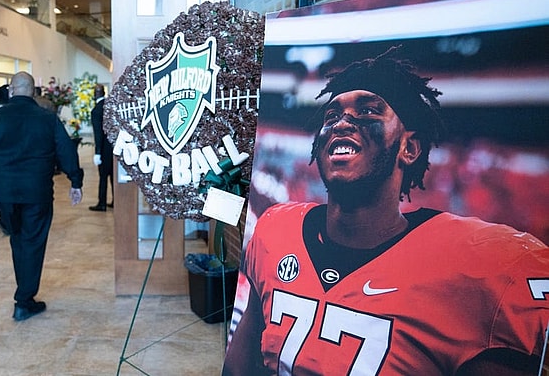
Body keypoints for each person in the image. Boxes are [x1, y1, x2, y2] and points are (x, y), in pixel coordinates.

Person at [222, 50, 549, 375]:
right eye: (331, 115)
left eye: (367, 111)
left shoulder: (479, 263)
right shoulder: (277, 228)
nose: (342, 122)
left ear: (410, 148)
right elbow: (241, 365)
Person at [0, 71, 83, 322]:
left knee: (18, 240)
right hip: (36, 191)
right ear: (33, 92)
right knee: (32, 242)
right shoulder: (47, 118)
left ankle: (24, 293)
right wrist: (75, 180)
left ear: (11, 90)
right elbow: (66, 150)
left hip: (4, 193)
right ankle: (24, 300)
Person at [89, 84, 113, 211]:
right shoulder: (110, 106)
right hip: (114, 147)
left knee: (103, 176)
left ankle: (102, 203)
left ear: (95, 94)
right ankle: (115, 200)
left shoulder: (96, 110)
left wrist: (97, 152)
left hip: (103, 149)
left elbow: (98, 133)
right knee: (113, 176)